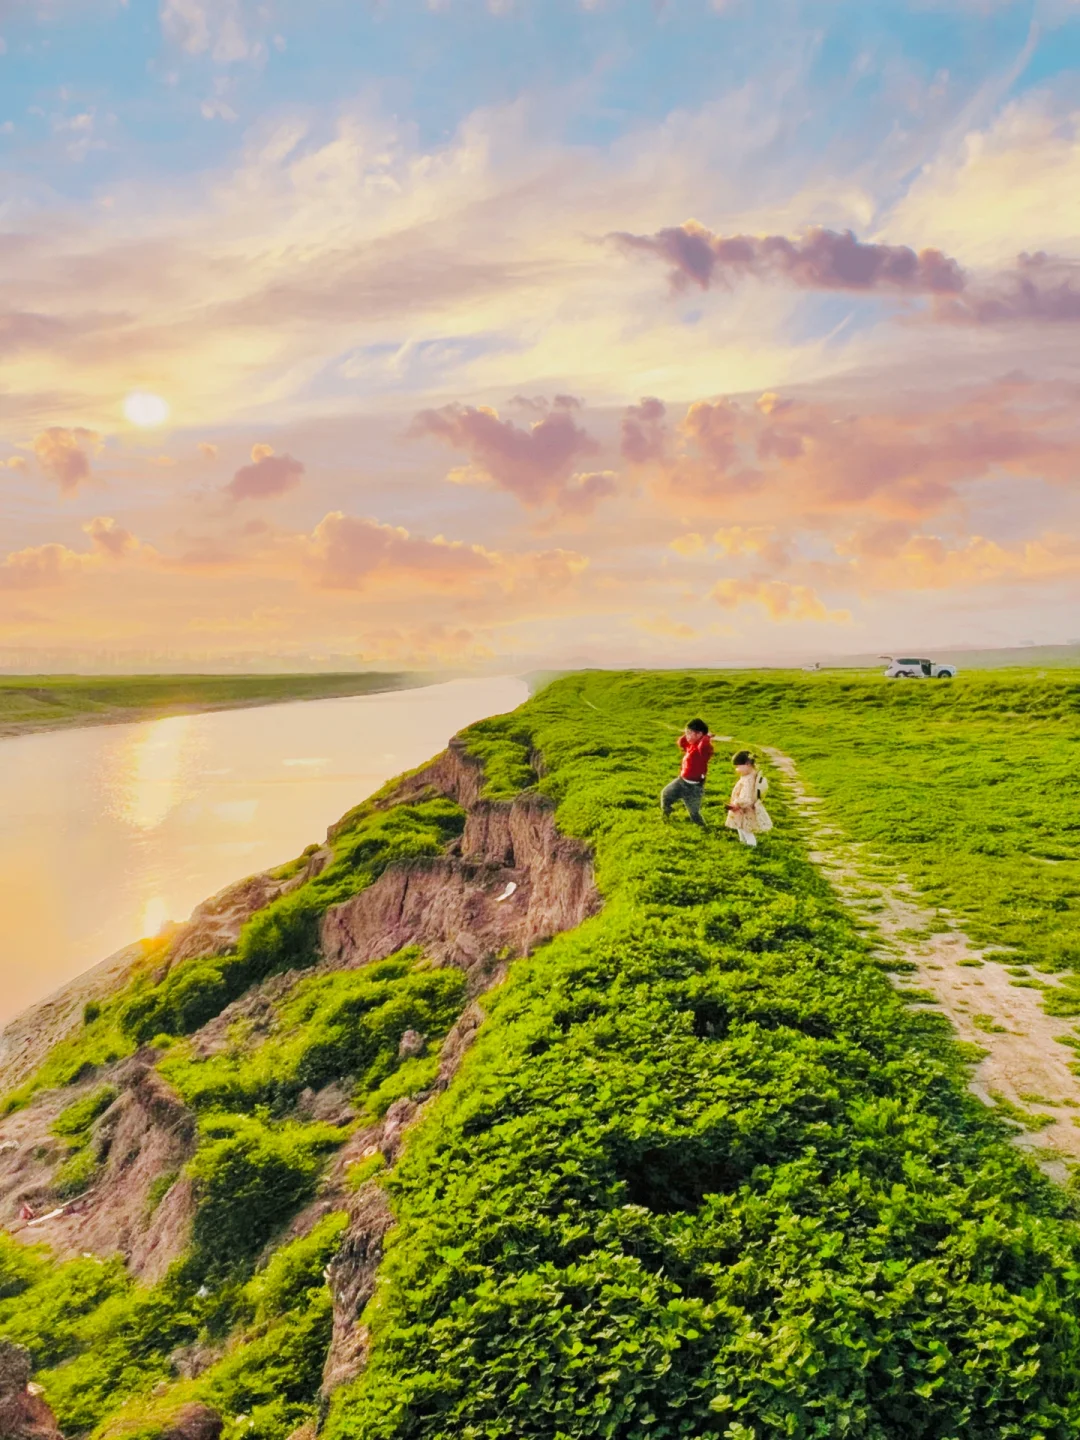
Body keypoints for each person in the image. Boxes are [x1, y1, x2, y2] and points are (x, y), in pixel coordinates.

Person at [661, 718, 713, 826]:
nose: (687, 736)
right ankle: (666, 815)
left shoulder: (703, 749)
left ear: (699, 734)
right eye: (686, 733)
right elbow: (681, 742)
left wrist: (706, 736)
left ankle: (703, 828)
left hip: (694, 788)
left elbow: (704, 745)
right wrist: (688, 733)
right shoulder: (690, 745)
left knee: (694, 813)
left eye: (690, 734)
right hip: (681, 782)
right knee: (665, 794)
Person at [724, 750, 772, 847]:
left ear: (747, 764)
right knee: (740, 827)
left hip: (744, 809)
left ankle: (751, 846)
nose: (737, 769)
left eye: (738, 766)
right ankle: (743, 844)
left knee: (746, 830)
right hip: (743, 808)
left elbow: (747, 797)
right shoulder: (751, 775)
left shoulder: (749, 780)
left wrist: (737, 804)